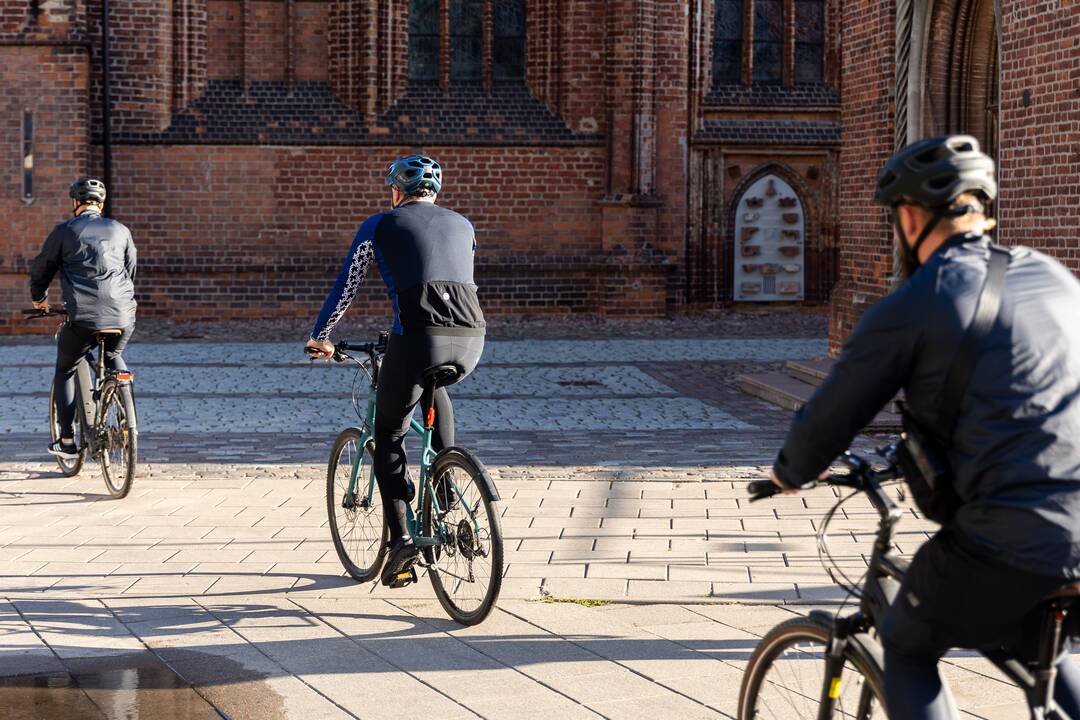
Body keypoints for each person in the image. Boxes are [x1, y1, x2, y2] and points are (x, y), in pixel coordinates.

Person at [768, 135, 1080, 719]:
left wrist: (790, 472)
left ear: (910, 217)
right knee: (1037, 637)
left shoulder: (918, 301)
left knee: (909, 644)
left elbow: (834, 412)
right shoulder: (1055, 278)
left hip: (1013, 533)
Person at [306, 155, 485, 587]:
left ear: (395, 190)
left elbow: (347, 284)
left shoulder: (380, 224)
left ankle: (403, 540)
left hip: (417, 337)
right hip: (471, 338)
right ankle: (444, 486)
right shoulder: (463, 224)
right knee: (434, 385)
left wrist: (320, 335)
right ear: (435, 192)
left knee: (388, 434)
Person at [30, 177, 137, 461]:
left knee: (66, 368)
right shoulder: (120, 230)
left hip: (83, 314)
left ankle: (66, 440)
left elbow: (42, 268)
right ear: (101, 204)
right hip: (123, 313)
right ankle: (127, 417)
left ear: (75, 203)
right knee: (114, 354)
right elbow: (130, 270)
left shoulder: (64, 231)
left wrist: (39, 300)